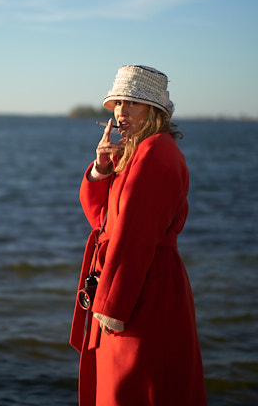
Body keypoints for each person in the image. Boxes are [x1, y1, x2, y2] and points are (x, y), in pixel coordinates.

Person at [69, 65, 207, 405]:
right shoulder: (136, 151)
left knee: (138, 387)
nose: (120, 112)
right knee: (123, 386)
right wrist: (102, 169)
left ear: (154, 110)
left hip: (143, 289)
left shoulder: (155, 152)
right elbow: (104, 221)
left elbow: (137, 234)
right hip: (129, 282)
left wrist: (112, 304)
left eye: (131, 103)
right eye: (117, 103)